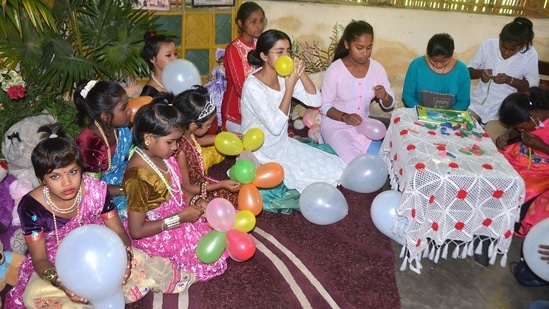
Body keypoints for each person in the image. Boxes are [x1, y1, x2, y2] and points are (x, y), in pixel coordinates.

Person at [5, 125, 194, 308]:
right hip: (58, 263)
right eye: (55, 177)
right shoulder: (31, 207)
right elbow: (39, 260)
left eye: (73, 172)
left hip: (101, 252)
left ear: (81, 169)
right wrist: (61, 282)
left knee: (139, 263)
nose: (67, 182)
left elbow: (119, 233)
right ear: (41, 180)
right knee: (33, 297)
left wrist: (126, 258)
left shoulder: (96, 190)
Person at [123, 94, 227, 281]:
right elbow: (136, 231)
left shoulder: (164, 157)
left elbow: (178, 191)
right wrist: (180, 218)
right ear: (148, 138)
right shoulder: (137, 177)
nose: (176, 147)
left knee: (218, 228)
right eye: (170, 142)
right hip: (155, 230)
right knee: (206, 256)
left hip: (176, 211)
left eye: (177, 141)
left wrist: (197, 201)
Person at [240, 29, 346, 192]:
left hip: (282, 144)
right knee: (302, 178)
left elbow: (316, 100)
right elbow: (275, 127)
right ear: (264, 56)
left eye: (288, 52)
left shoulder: (283, 77)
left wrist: (301, 74)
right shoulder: (253, 86)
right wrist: (289, 88)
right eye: (279, 52)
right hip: (262, 149)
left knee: (334, 167)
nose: (286, 57)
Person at [320, 20, 395, 164]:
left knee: (380, 161)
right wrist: (345, 117)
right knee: (355, 162)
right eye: (359, 48)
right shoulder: (336, 70)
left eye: (369, 47)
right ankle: (326, 141)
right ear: (347, 44)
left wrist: (385, 96)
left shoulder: (377, 69)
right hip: (336, 124)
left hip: (362, 124)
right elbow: (325, 106)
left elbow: (389, 104)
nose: (365, 53)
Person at [468, 16, 538, 142]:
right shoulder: (488, 44)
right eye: (503, 47)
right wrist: (481, 73)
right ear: (500, 37)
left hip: (501, 111)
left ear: (522, 45)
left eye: (512, 49)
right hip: (476, 104)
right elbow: (468, 72)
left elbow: (532, 85)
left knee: (488, 142)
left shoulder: (530, 54)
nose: (506, 52)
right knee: (460, 130)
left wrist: (509, 80)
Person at [73, 79, 132, 219]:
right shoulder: (90, 144)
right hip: (103, 192)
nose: (129, 111)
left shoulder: (121, 128)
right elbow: (90, 189)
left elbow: (131, 155)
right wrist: (127, 189)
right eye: (124, 108)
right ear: (105, 116)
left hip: (126, 178)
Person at [173, 86, 241, 207]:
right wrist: (221, 185)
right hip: (191, 191)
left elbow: (198, 140)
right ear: (193, 125)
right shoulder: (181, 150)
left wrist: (225, 136)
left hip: (200, 182)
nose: (210, 127)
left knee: (237, 195)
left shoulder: (188, 133)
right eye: (208, 125)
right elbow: (186, 187)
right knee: (230, 203)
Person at [496, 87, 549, 236]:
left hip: (544, 169)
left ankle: (512, 220)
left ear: (532, 116)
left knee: (525, 186)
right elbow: (516, 126)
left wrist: (542, 147)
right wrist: (506, 135)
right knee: (494, 168)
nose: (520, 131)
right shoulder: (530, 115)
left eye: (521, 128)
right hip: (523, 155)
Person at [221, 1, 266, 132]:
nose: (259, 26)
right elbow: (241, 87)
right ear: (241, 23)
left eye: (261, 21)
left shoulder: (261, 45)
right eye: (253, 22)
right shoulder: (233, 49)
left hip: (260, 110)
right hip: (236, 113)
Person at [402, 33, 470, 111]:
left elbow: (464, 101)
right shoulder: (417, 65)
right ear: (428, 55)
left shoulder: (462, 71)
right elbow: (408, 96)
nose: (438, 65)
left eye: (444, 61)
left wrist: (449, 114)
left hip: (449, 118)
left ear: (451, 55)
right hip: (419, 114)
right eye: (433, 61)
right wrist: (423, 112)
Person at [140, 31, 178, 97]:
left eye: (175, 54)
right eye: (168, 55)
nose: (174, 59)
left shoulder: (176, 82)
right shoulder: (149, 93)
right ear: (152, 59)